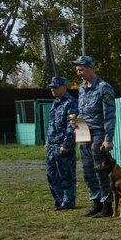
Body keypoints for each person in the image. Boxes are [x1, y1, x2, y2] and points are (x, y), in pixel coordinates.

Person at [72, 55, 116, 217]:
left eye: (81, 69)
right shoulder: (82, 88)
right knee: (88, 170)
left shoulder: (104, 88)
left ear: (90, 67)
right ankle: (96, 202)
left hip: (98, 133)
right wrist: (75, 122)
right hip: (83, 131)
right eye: (77, 70)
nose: (79, 73)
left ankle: (107, 204)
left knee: (100, 170)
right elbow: (82, 111)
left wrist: (108, 138)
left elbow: (110, 115)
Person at [45, 76, 78, 210]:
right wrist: (47, 141)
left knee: (66, 175)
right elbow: (51, 124)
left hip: (63, 145)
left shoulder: (71, 103)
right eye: (52, 87)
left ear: (64, 87)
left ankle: (68, 201)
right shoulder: (55, 103)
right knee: (51, 174)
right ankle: (58, 200)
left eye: (56, 87)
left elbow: (72, 126)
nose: (53, 89)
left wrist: (66, 145)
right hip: (52, 145)